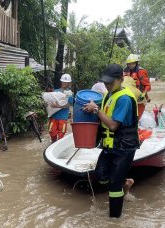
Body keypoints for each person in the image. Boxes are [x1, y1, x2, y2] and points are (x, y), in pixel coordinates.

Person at [83, 64, 140, 218]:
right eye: (106, 82)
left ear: (121, 80)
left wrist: (96, 110)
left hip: (124, 147)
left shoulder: (125, 99)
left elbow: (113, 125)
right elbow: (102, 117)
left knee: (114, 185)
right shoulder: (109, 95)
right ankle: (126, 182)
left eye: (111, 82)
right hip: (110, 145)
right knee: (101, 175)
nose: (107, 86)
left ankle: (114, 221)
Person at [123, 54, 151, 119]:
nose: (131, 65)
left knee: (137, 116)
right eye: (129, 64)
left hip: (139, 96)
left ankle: (136, 125)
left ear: (136, 63)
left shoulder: (141, 71)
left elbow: (147, 85)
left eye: (133, 64)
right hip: (128, 95)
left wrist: (144, 93)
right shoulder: (125, 71)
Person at [48, 73, 74, 142]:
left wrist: (59, 104)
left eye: (66, 82)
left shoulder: (70, 93)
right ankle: (53, 144)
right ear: (61, 82)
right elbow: (50, 103)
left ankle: (58, 146)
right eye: (63, 82)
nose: (65, 83)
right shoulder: (56, 91)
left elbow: (69, 104)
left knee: (61, 134)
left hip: (63, 117)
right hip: (54, 116)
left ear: (69, 83)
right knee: (52, 132)